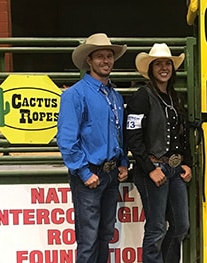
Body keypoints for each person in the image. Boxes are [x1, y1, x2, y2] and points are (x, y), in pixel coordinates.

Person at [56, 33, 129, 263]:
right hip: (90, 174)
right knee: (88, 239)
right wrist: (84, 172)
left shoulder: (115, 96)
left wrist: (123, 162)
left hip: (109, 173)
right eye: (100, 57)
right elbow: (66, 139)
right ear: (89, 60)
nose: (106, 61)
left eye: (109, 56)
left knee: (105, 235)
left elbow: (119, 133)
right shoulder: (75, 95)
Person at [125, 43, 192, 263]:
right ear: (151, 68)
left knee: (181, 225)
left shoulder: (173, 96)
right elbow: (132, 137)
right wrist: (150, 168)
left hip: (173, 168)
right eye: (159, 64)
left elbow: (183, 136)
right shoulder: (142, 96)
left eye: (167, 64)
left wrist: (187, 162)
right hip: (153, 168)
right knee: (156, 227)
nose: (164, 68)